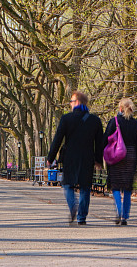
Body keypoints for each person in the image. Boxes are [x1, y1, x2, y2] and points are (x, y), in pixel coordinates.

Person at [46, 91, 104, 226]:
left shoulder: (66, 119)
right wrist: (98, 160)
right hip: (87, 158)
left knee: (67, 185)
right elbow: (99, 143)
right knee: (85, 188)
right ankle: (81, 217)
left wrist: (51, 157)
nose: (70, 104)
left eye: (71, 101)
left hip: (70, 157)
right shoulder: (95, 121)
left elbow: (58, 139)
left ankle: (73, 206)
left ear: (77, 102)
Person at [104, 98, 137, 225]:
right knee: (127, 187)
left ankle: (119, 210)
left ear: (120, 108)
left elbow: (106, 139)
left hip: (117, 155)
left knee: (116, 185)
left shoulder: (114, 122)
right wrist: (135, 156)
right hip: (131, 155)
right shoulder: (135, 124)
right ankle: (125, 216)